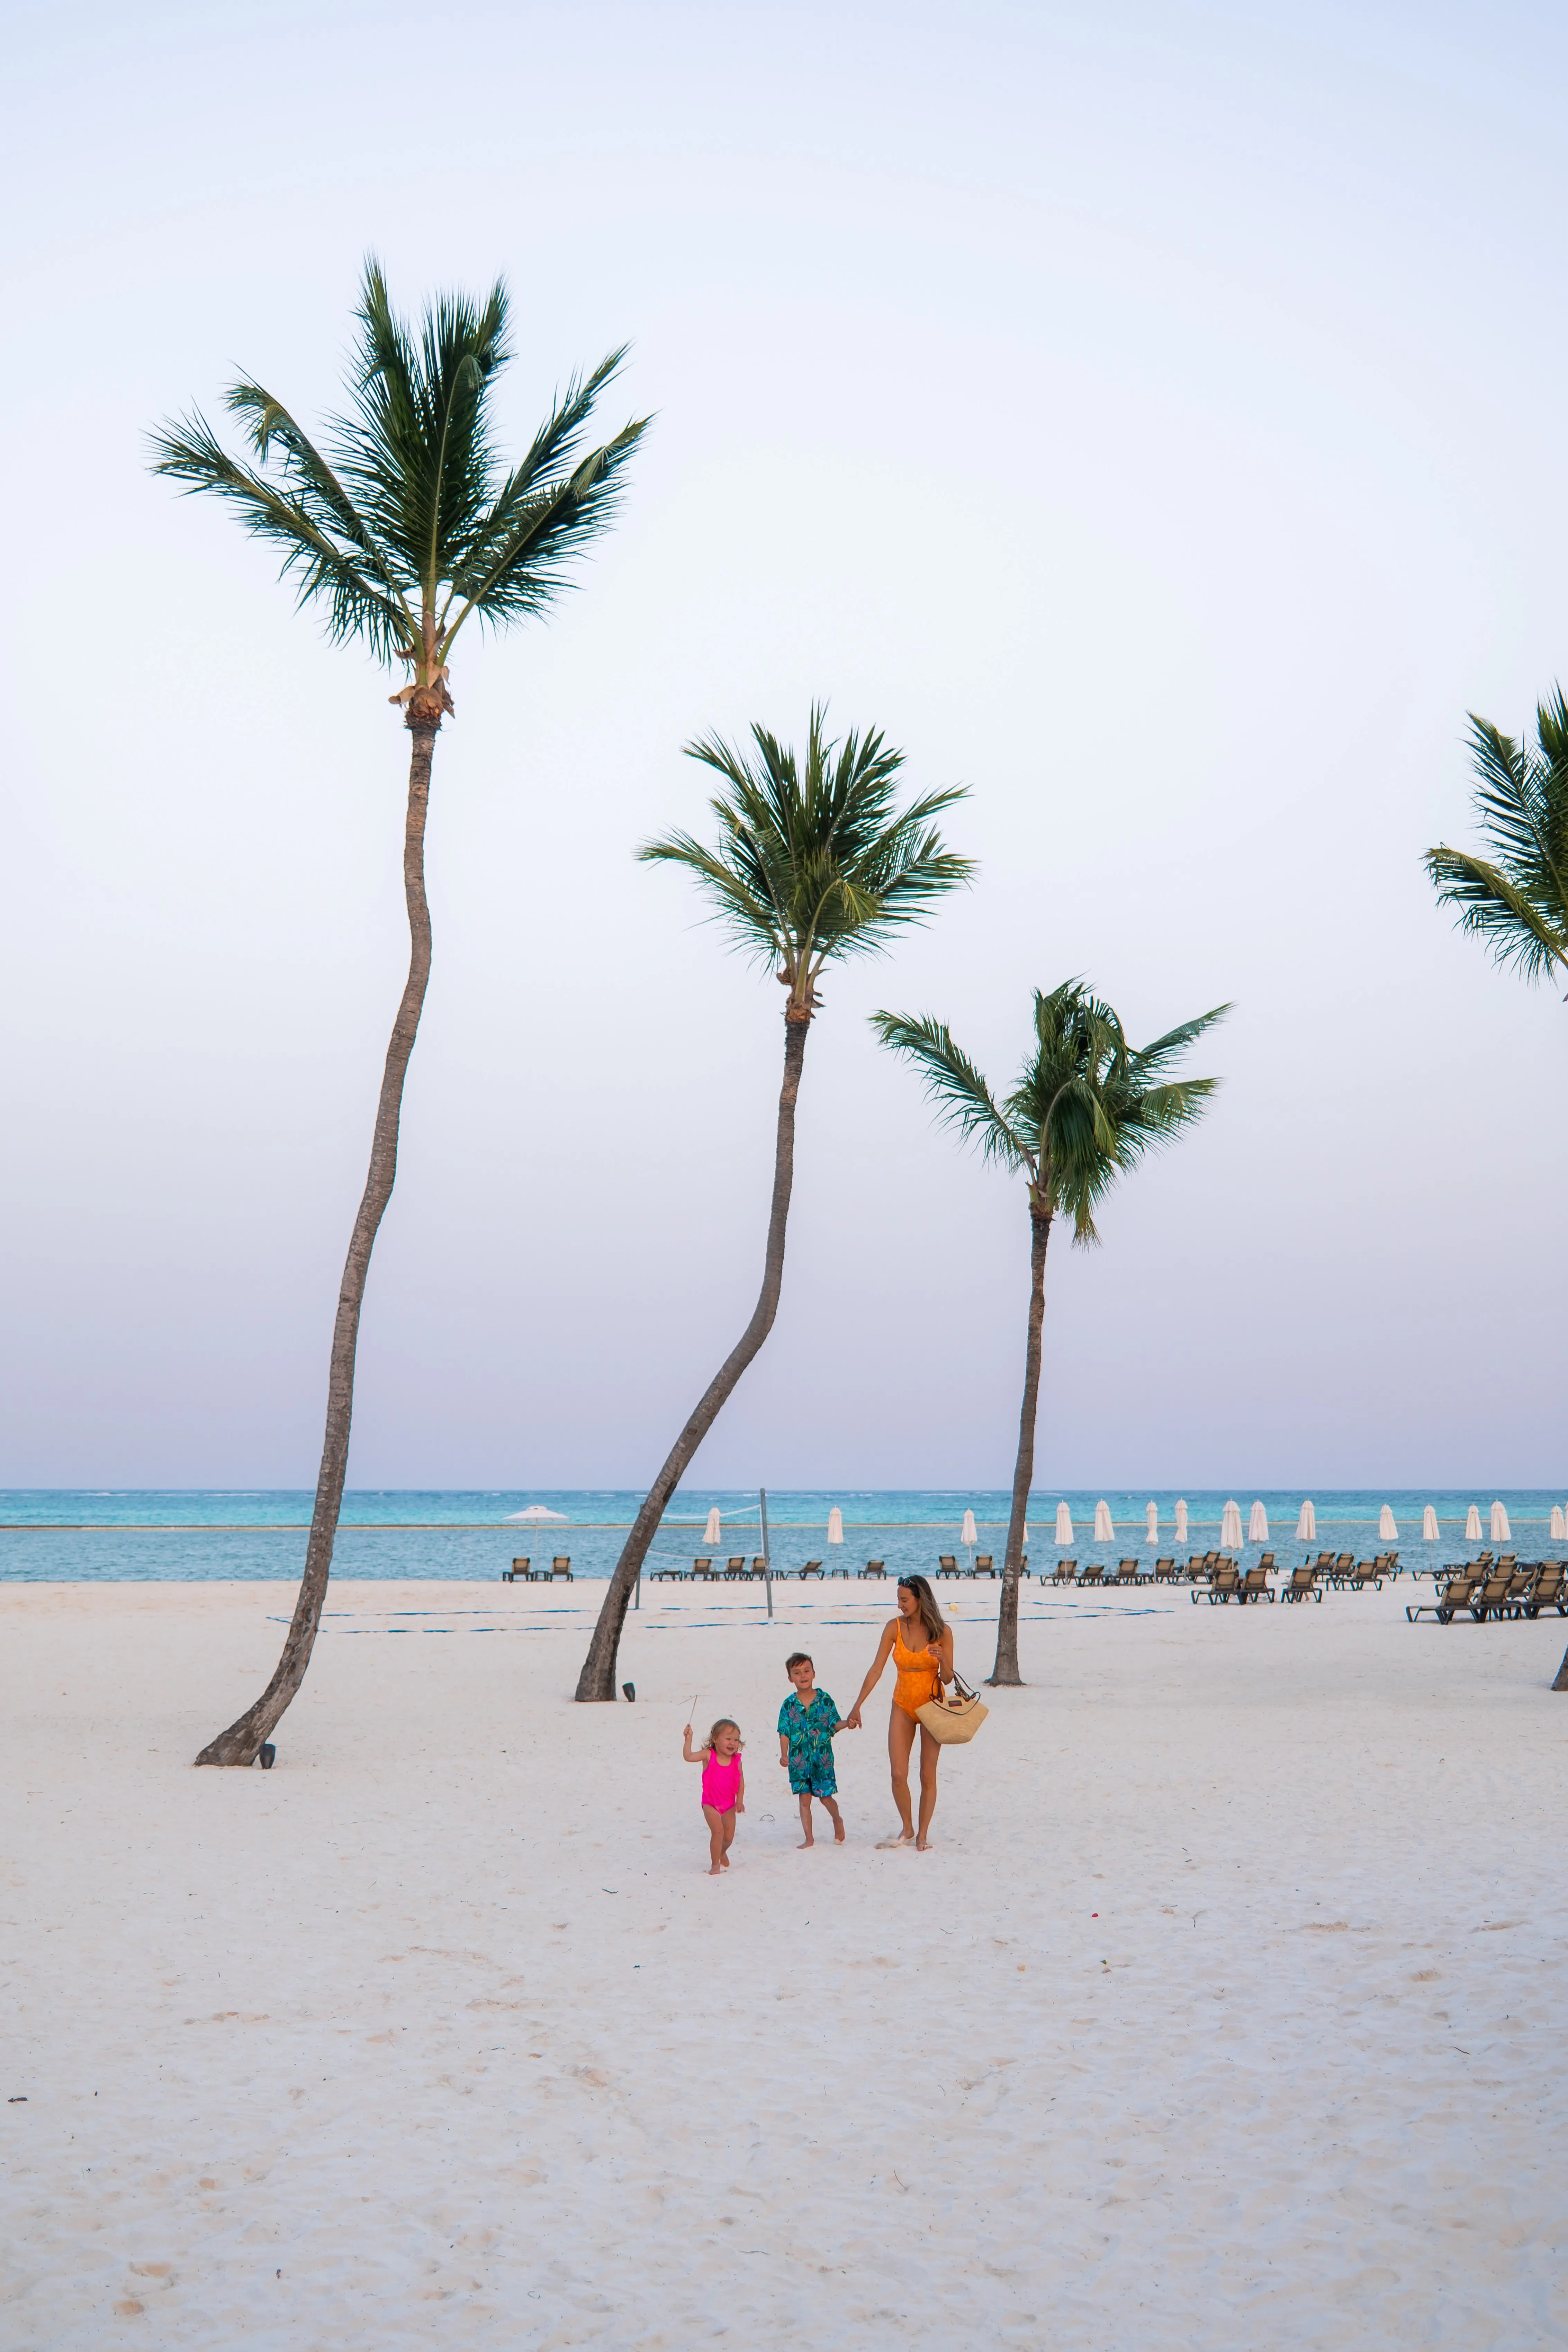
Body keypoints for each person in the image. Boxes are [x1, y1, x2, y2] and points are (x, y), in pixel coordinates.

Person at [844, 1574, 954, 1850]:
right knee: (898, 1774)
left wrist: (943, 1660)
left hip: (933, 1706)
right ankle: (908, 1825)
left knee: (927, 1775)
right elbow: (876, 1668)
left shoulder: (942, 1630)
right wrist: (858, 1704)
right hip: (903, 1704)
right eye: (899, 1599)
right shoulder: (893, 1627)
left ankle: (923, 1835)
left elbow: (948, 1679)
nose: (900, 1605)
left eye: (904, 1600)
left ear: (920, 1599)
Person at [776, 1651, 852, 1847]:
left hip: (822, 1759)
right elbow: (784, 1731)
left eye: (807, 1671)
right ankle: (809, 1838)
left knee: (826, 1798)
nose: (803, 1676)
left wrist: (848, 1723)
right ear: (790, 1678)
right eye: (798, 1673)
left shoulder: (825, 1700)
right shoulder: (788, 1705)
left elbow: (834, 1724)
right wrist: (784, 1755)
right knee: (804, 1801)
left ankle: (837, 1820)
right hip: (798, 1760)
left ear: (814, 1674)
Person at [683, 1716, 745, 1874]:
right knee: (718, 1832)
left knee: (729, 1838)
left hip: (729, 1804)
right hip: (711, 1803)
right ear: (716, 1739)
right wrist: (688, 1739)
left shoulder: (736, 1761)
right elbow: (689, 1757)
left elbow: (741, 1781)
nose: (733, 1743)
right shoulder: (708, 1755)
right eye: (728, 1739)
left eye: (736, 1740)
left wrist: (740, 1801)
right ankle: (715, 1864)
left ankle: (722, 1852)